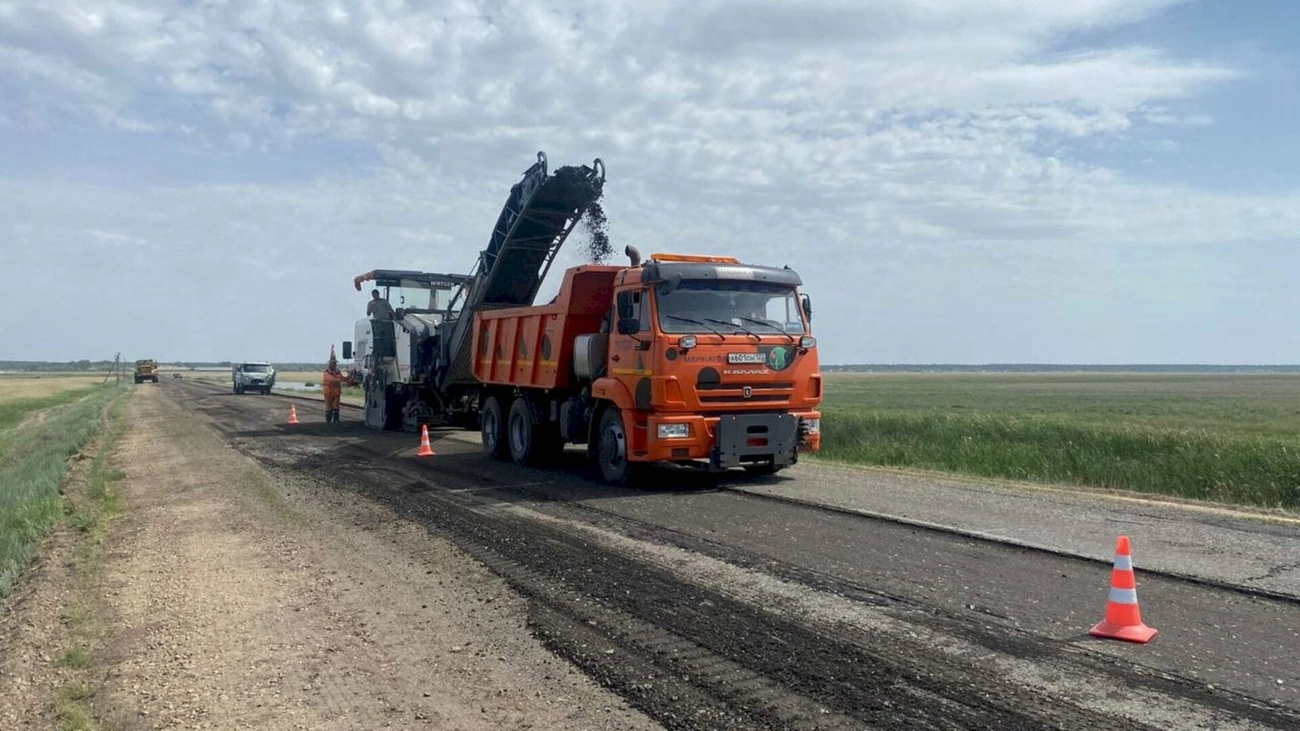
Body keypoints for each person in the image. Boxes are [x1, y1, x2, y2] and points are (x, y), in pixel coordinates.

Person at [321, 356, 352, 423]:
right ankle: (328, 421)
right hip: (328, 392)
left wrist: (350, 376)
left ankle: (336, 419)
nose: (334, 365)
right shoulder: (326, 373)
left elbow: (343, 379)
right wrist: (341, 382)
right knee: (328, 407)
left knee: (336, 407)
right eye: (332, 363)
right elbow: (331, 380)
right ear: (329, 364)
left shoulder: (338, 372)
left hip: (336, 393)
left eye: (335, 363)